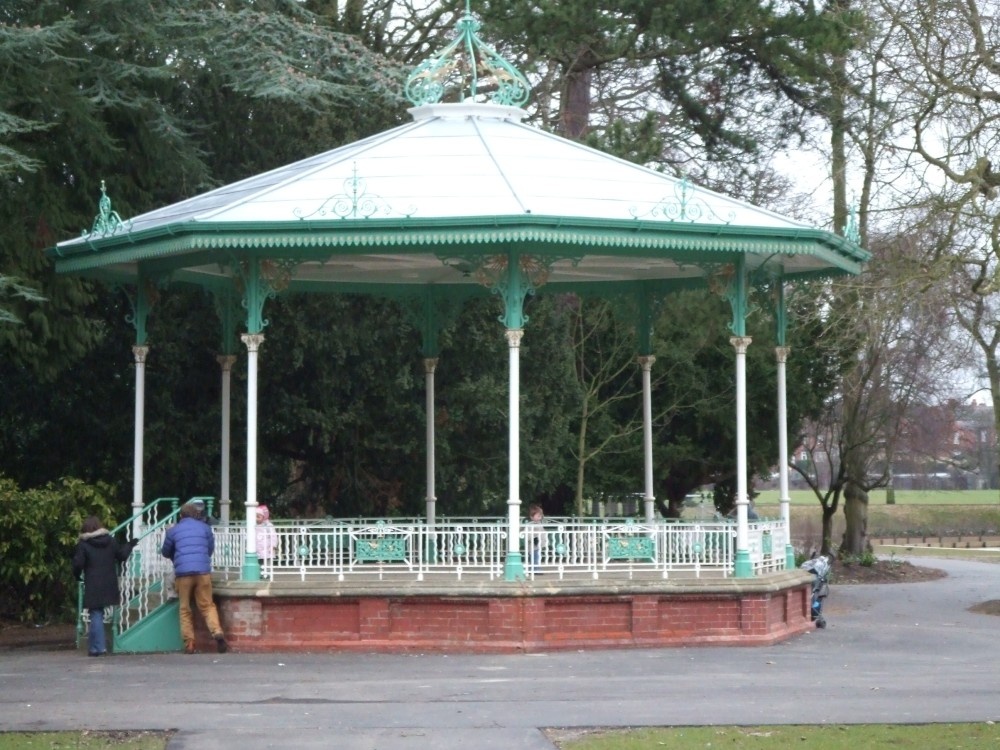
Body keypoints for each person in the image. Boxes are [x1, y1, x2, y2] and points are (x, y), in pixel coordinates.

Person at [161, 501, 228, 654]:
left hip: (183, 573)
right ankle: (217, 632)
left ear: (181, 515)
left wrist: (177, 558)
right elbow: (210, 548)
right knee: (207, 605)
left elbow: (165, 552)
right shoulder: (205, 528)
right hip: (203, 572)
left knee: (185, 608)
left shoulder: (174, 530)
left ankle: (190, 643)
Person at [71, 515, 136, 657]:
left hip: (93, 582)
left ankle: (99, 648)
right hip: (109, 581)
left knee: (95, 614)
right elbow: (122, 555)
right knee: (97, 614)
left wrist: (76, 575)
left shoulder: (83, 544)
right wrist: (130, 545)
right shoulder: (110, 541)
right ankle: (94, 648)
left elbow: (78, 564)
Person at [255, 504, 277, 578]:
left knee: (266, 562)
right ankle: (260, 574)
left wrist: (273, 545)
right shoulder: (254, 525)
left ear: (263, 517)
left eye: (258, 517)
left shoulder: (268, 525)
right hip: (257, 547)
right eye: (255, 516)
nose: (256, 519)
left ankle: (266, 574)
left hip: (267, 547)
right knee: (259, 561)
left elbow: (273, 536)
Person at [524, 504, 547, 574]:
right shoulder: (530, 525)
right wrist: (533, 539)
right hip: (532, 545)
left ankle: (535, 568)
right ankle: (535, 569)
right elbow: (527, 534)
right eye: (538, 516)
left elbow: (543, 532)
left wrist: (544, 540)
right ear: (532, 517)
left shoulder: (539, 524)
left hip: (538, 544)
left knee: (537, 556)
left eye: (540, 516)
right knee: (534, 556)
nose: (540, 518)